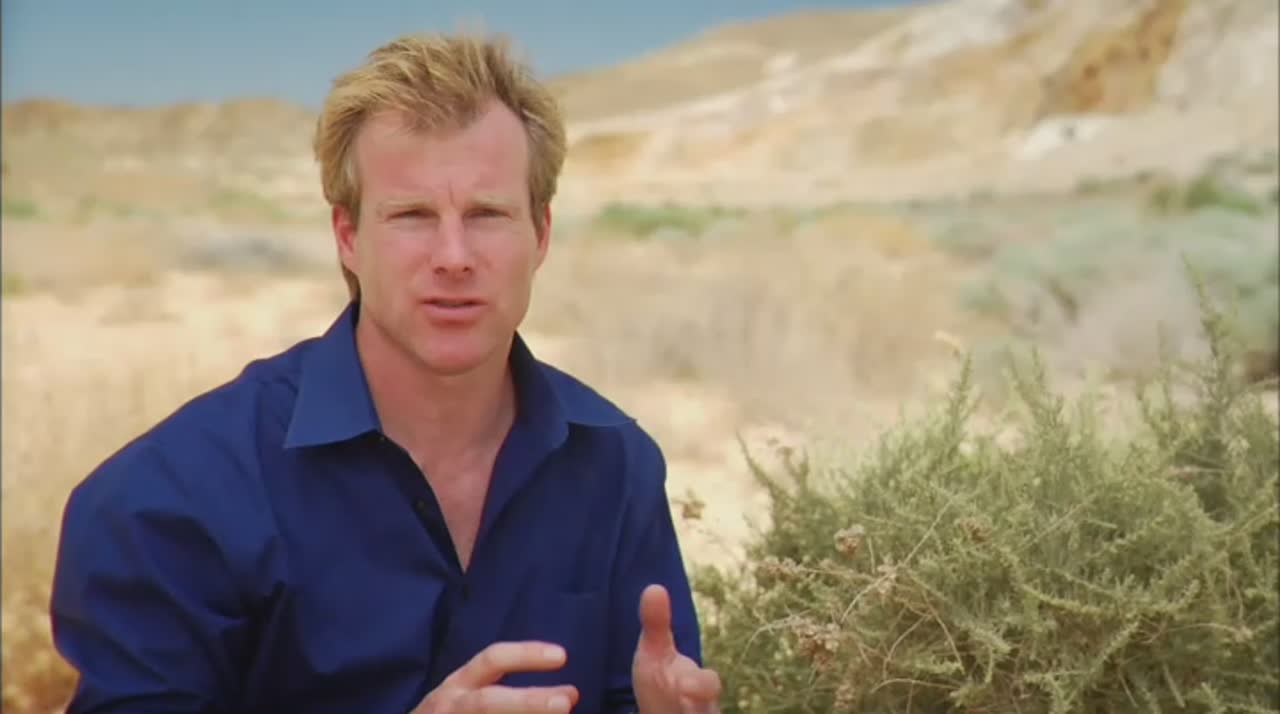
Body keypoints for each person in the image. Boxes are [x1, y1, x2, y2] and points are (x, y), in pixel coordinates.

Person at [49, 31, 723, 714]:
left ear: (540, 234)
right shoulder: (166, 502)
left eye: (487, 214)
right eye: (413, 216)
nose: (454, 256)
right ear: (348, 237)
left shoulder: (615, 465)